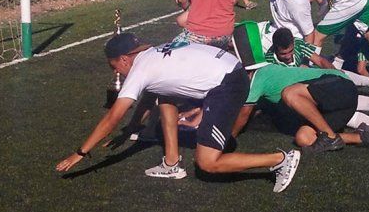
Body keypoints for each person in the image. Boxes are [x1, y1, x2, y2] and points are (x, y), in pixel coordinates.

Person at [55, 33, 302, 192]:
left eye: (114, 67)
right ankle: (172, 163)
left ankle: (280, 160)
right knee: (165, 94)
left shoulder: (140, 70)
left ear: (124, 59)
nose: (116, 73)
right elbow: (152, 95)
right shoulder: (152, 55)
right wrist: (131, 130)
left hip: (228, 84)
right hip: (229, 70)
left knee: (207, 163)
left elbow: (112, 117)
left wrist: (81, 153)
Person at [231, 63, 369, 154]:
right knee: (303, 138)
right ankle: (361, 136)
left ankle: (329, 137)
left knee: (290, 93)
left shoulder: (259, 75)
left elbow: (244, 114)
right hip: (338, 105)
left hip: (341, 85)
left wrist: (228, 140)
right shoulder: (261, 83)